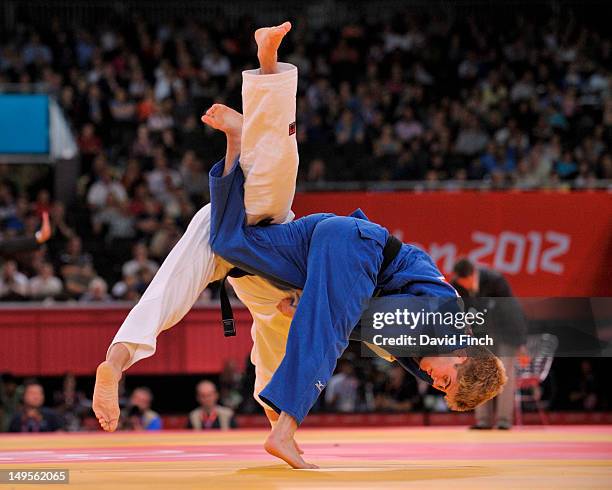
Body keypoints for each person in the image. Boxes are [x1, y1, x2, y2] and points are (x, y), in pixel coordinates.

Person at [208, 131, 507, 467]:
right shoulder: (438, 319)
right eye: (446, 379)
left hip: (330, 238)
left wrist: (311, 305)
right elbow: (354, 322)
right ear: (461, 354)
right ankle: (283, 432)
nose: (434, 382)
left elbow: (366, 321)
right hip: (357, 248)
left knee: (229, 245)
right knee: (325, 331)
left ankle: (234, 145)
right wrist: (309, 309)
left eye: (441, 389)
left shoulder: (435, 341)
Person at [452, 258, 527, 430]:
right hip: (480, 336)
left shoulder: (495, 280)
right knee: (478, 374)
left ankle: (503, 420)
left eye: (467, 281)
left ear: (473, 274)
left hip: (507, 335)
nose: (465, 285)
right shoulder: (456, 285)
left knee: (505, 376)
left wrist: (521, 343)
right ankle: (483, 421)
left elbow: (513, 309)